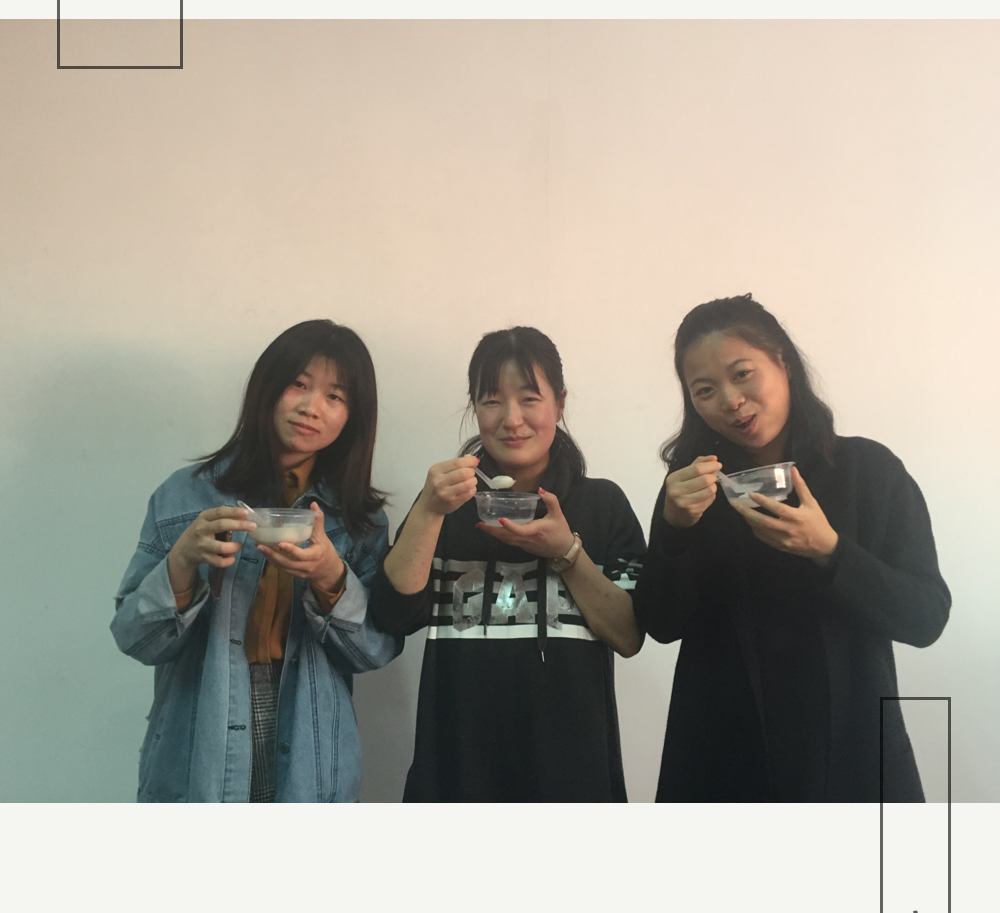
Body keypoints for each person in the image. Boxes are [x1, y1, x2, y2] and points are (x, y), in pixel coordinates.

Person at [632, 294, 951, 803]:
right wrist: (675, 529)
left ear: (782, 360)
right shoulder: (694, 486)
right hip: (722, 756)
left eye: (742, 374)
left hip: (850, 750)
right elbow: (661, 624)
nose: (730, 400)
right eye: (704, 390)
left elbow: (926, 617)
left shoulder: (868, 471)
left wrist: (830, 550)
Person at [112, 319, 401, 802]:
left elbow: (374, 652)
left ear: (353, 416)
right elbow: (134, 639)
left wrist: (330, 576)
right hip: (200, 733)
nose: (312, 407)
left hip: (310, 741)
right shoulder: (185, 497)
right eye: (299, 385)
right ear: (267, 387)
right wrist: (181, 562)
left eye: (335, 396)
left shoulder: (358, 519)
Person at [368, 327, 646, 801]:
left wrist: (567, 552)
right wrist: (429, 511)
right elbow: (393, 616)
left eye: (529, 399)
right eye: (492, 401)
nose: (511, 420)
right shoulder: (445, 503)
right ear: (475, 408)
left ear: (559, 403)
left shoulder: (603, 505)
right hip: (454, 777)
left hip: (574, 780)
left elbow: (629, 635)